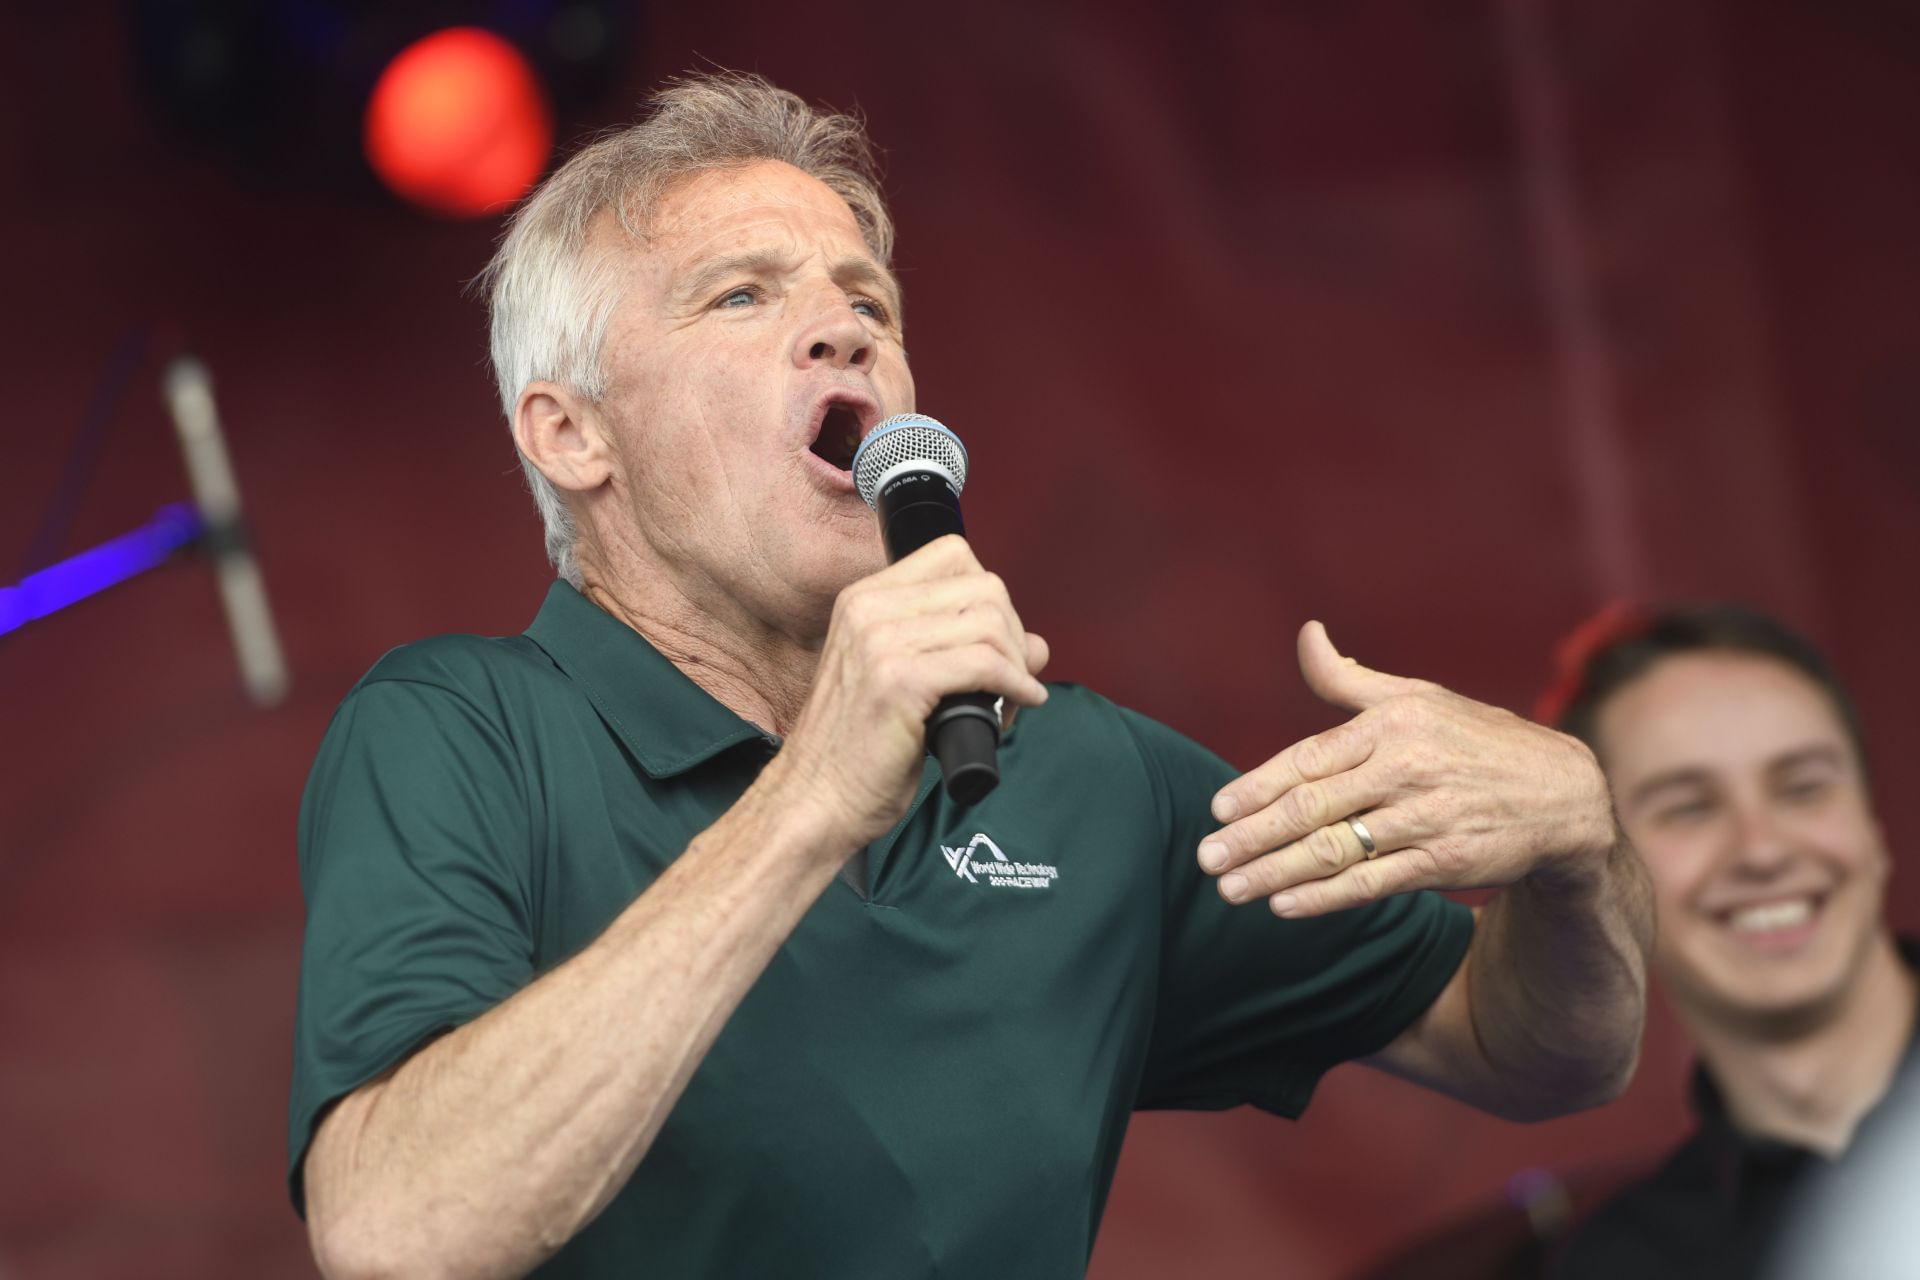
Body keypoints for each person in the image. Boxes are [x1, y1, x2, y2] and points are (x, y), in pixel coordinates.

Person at [289, 72, 1652, 1279]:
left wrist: (1576, 853)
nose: (844, 332)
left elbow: (1536, 1047)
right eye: (744, 295)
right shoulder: (463, 730)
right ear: (572, 433)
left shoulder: (1084, 779)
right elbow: (397, 1232)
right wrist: (809, 801)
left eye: (865, 300)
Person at [1543, 603, 1913, 1279]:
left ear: (1873, 829)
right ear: (1599, 888)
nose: (1762, 849)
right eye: (1688, 806)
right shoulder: (1620, 1266)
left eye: (1803, 789)